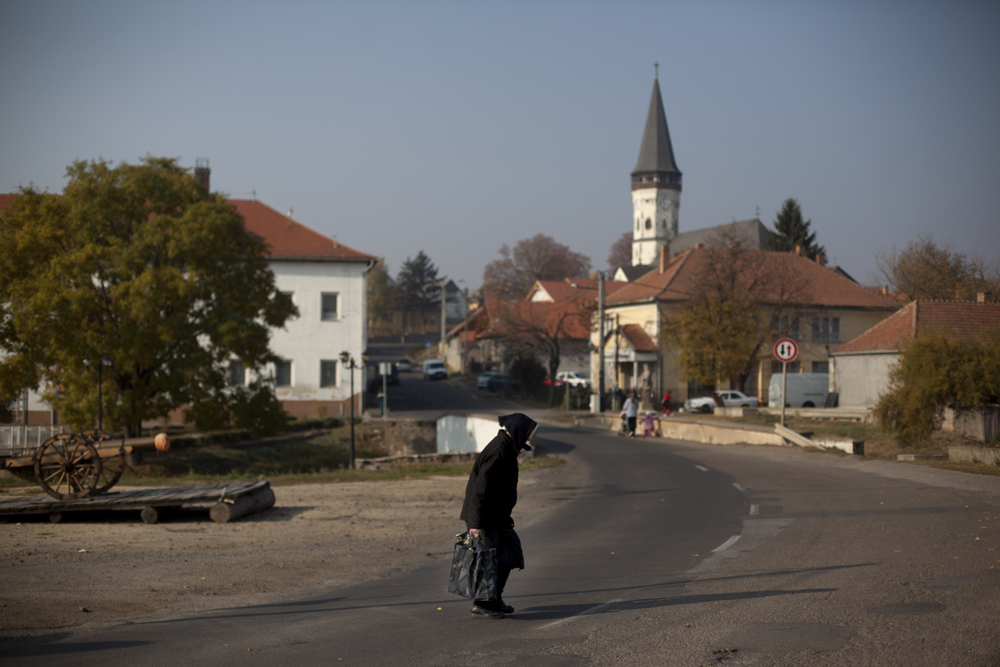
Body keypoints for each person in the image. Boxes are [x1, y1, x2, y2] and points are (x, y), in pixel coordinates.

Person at [460, 412, 537, 619]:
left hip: (496, 516)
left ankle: (494, 599)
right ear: (519, 430)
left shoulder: (507, 448)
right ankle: (482, 603)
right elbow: (479, 489)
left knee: (509, 556)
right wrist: (475, 523)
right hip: (484, 518)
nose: (530, 436)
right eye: (529, 431)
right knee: (489, 560)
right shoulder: (499, 451)